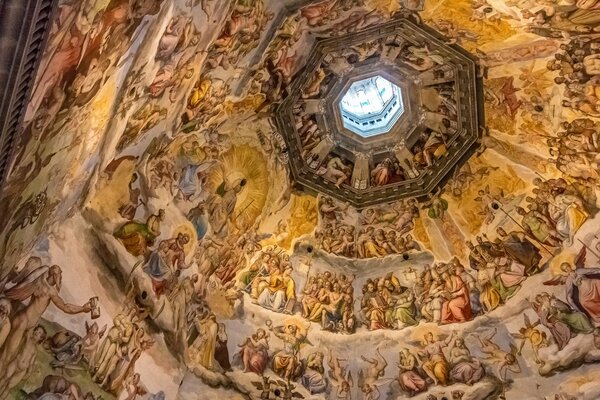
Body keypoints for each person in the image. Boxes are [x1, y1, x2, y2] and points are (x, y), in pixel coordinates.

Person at [0, 325, 47, 399]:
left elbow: (31, 363)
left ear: (40, 338)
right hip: (15, 363)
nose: (36, 332)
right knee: (5, 378)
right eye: (36, 330)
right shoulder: (28, 339)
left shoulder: (35, 350)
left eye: (39, 332)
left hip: (22, 371)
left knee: (8, 387)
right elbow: (28, 330)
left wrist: (28, 373)